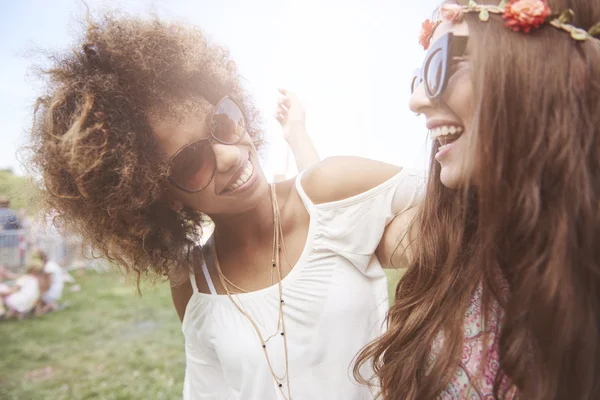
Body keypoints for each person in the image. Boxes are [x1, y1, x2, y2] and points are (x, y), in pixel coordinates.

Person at [27, 11, 424, 399]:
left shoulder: (331, 189)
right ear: (152, 194)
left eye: (223, 122)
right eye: (191, 161)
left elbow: (469, 204)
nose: (231, 155)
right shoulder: (193, 283)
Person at [354, 1, 600, 399]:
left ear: (536, 63)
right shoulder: (448, 239)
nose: (415, 101)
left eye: (439, 65)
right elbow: (328, 226)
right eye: (418, 77)